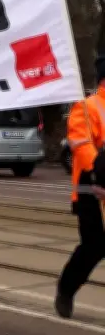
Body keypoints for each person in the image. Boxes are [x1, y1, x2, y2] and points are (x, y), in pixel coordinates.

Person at [56, 57, 105, 319]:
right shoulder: (86, 107)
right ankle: (66, 288)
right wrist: (99, 172)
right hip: (91, 192)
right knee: (94, 246)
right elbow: (81, 144)